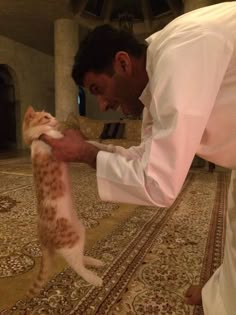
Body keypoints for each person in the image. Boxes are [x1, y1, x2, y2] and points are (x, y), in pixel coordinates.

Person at [42, 2, 236, 315]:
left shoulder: (178, 55)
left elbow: (158, 182)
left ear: (122, 63)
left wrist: (86, 152)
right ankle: (222, 293)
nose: (103, 105)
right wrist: (88, 148)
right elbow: (147, 157)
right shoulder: (156, 73)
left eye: (99, 89)